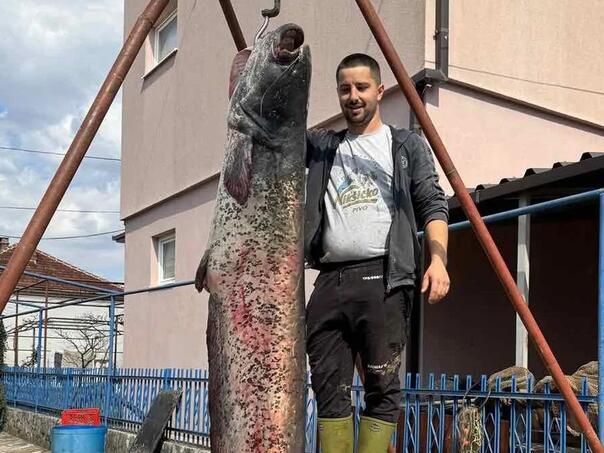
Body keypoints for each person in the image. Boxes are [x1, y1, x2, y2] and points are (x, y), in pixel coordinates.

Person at [304, 53, 450, 452]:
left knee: (382, 388)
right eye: (345, 89)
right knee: (328, 390)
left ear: (380, 91)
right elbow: (277, 134)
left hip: (384, 280)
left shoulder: (403, 145)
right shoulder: (323, 147)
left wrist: (438, 261)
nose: (353, 96)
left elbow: (432, 204)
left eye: (361, 87)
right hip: (329, 283)